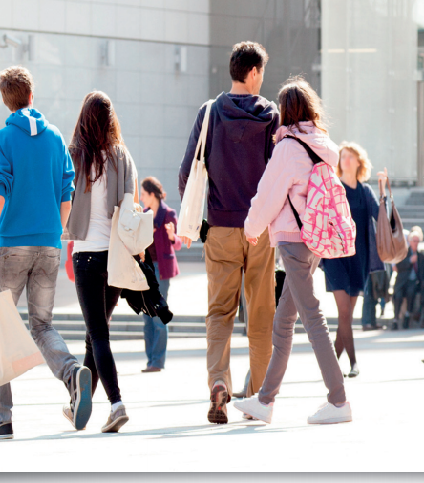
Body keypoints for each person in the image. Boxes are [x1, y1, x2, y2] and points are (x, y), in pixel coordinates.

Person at [0, 66, 92, 440]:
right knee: (42, 325)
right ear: (31, 96)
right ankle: (73, 374)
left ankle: (1, 418)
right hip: (48, 245)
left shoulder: (2, 139)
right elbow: (66, 191)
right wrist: (56, 233)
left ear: (6, 99)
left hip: (12, 246)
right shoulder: (56, 137)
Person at [234, 76, 352, 425]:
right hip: (313, 240)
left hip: (292, 238)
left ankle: (338, 399)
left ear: (286, 111)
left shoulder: (287, 147)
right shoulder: (322, 145)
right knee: (284, 321)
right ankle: (265, 400)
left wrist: (251, 228)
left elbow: (268, 192)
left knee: (311, 317)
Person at [178, 41, 279, 424]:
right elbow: (280, 172)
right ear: (252, 72)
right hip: (261, 230)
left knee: (219, 312)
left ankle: (219, 383)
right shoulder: (270, 115)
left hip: (219, 226)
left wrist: (199, 221)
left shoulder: (209, 113)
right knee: (261, 313)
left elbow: (188, 172)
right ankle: (257, 396)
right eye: (262, 72)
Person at [63, 90, 138, 433]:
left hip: (86, 255)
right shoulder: (122, 156)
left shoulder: (74, 156)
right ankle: (80, 404)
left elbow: (65, 203)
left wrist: (68, 247)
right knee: (96, 334)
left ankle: (117, 402)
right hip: (116, 256)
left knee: (98, 333)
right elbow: (130, 205)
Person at [321, 142, 386, 377]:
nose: (345, 160)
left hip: (359, 259)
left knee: (346, 315)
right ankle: (353, 363)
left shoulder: (365, 191)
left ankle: (331, 367)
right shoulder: (333, 188)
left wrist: (382, 192)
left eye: (350, 156)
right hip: (336, 258)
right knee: (344, 313)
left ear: (359, 161)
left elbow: (381, 219)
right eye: (342, 156)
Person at [138, 177, 181, 373]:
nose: (140, 197)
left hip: (161, 271)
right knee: (147, 316)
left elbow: (178, 243)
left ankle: (158, 361)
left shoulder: (168, 214)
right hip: (145, 270)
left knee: (157, 316)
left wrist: (172, 236)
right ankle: (150, 361)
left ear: (152, 194)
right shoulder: (143, 215)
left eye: (143, 194)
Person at [392, 227, 424, 330]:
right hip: (402, 280)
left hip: (414, 282)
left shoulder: (420, 255)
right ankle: (395, 320)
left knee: (411, 293)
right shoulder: (404, 253)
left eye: (417, 241)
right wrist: (410, 261)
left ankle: (407, 316)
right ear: (409, 241)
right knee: (398, 295)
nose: (415, 243)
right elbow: (398, 266)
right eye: (414, 241)